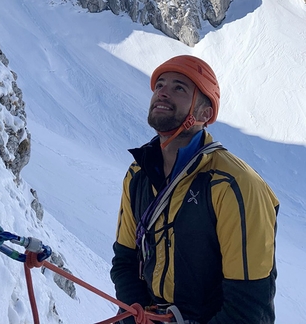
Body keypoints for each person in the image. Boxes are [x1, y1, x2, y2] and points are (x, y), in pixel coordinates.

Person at [111, 55, 278, 324]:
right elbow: (125, 261)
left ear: (204, 114)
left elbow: (248, 307)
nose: (162, 93)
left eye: (179, 88)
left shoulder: (234, 185)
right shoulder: (138, 174)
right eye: (159, 86)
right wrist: (137, 314)